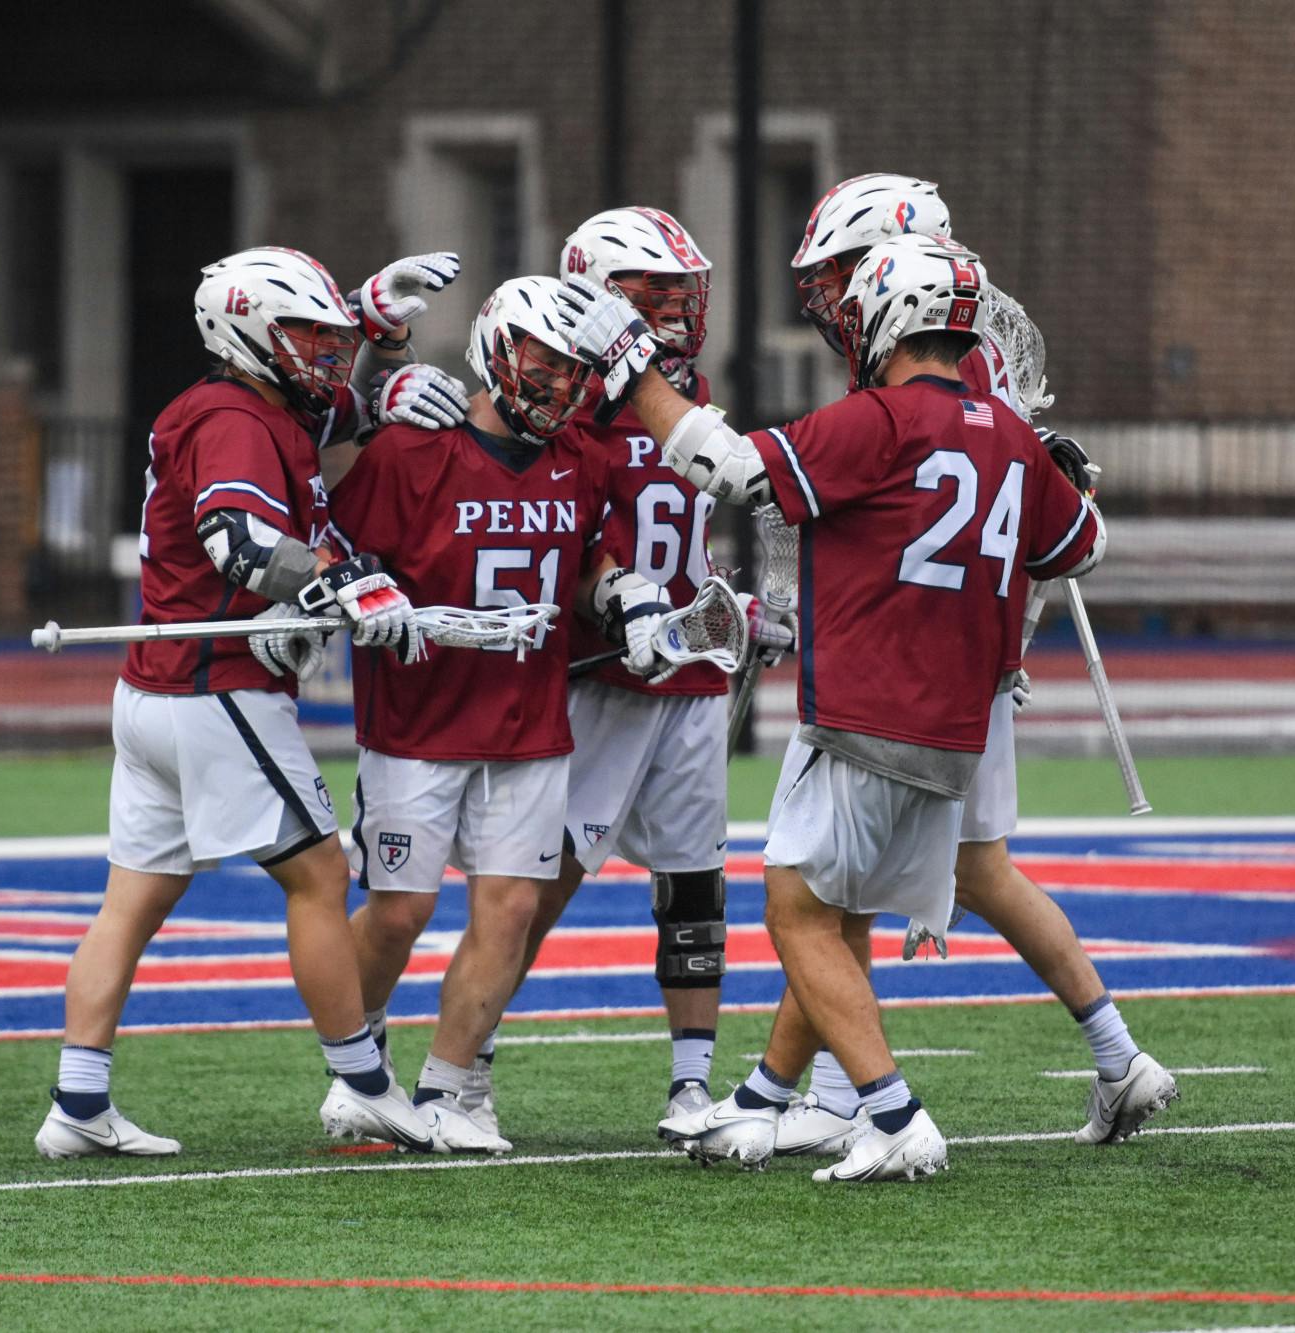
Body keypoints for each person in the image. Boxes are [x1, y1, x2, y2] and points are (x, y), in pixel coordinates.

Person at [559, 232, 1106, 1182]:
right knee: (834, 908)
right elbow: (1083, 544)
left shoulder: (884, 419)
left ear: (892, 314)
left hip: (867, 707)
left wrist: (633, 371)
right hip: (957, 731)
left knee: (799, 915)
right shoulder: (1011, 437)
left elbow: (733, 470)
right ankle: (770, 1098)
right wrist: (1057, 467)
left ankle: (891, 1112)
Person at [34, 246, 469, 1160]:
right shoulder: (235, 418)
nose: (326, 353)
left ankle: (77, 1101)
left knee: (132, 901)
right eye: (307, 335)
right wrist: (344, 580)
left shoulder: (253, 403)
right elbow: (238, 541)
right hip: (215, 684)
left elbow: (335, 410)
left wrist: (376, 328)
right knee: (318, 876)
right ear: (247, 335)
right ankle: (365, 1083)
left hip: (157, 690)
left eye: (328, 334)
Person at [782, 173, 1177, 1150]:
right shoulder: (972, 363)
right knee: (968, 873)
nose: (835, 294)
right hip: (968, 657)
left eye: (846, 271)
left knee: (830, 884)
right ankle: (1116, 1053)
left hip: (922, 666)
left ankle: (828, 1098)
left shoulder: (926, 374)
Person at [329, 274, 671, 1153]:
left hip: (527, 719)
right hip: (419, 717)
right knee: (399, 910)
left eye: (573, 368)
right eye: (544, 362)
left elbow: (587, 559)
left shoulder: (585, 457)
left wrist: (621, 593)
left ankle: (447, 1088)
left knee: (512, 909)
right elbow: (336, 539)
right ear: (494, 349)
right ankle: (357, 1060)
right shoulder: (413, 452)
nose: (560, 382)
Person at [472, 207, 795, 1140]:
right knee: (537, 882)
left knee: (696, 882)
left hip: (691, 676)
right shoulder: (568, 403)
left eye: (678, 291)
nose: (671, 308)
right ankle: (468, 1064)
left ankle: (692, 1086)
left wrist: (757, 600)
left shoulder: (680, 397)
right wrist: (617, 601)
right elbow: (551, 537)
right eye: (648, 291)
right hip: (601, 674)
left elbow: (750, 499)